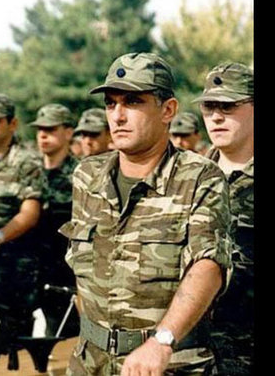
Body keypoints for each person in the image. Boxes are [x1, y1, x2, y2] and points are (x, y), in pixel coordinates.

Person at [59, 52, 233, 375]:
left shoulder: (199, 177)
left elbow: (208, 266)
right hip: (90, 362)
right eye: (110, 103)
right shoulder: (87, 176)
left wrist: (161, 341)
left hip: (168, 363)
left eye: (133, 102)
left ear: (168, 110)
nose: (117, 116)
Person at [193, 62, 254, 375]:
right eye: (209, 106)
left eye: (228, 106)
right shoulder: (187, 178)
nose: (215, 117)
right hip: (191, 355)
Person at [0, 93, 44, 334]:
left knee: (9, 339)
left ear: (12, 124)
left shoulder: (27, 161)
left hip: (9, 254)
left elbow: (30, 213)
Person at [29, 103, 80, 336]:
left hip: (62, 273)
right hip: (26, 272)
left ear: (68, 132)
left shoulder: (81, 175)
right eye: (40, 129)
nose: (43, 135)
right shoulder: (28, 171)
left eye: (50, 129)